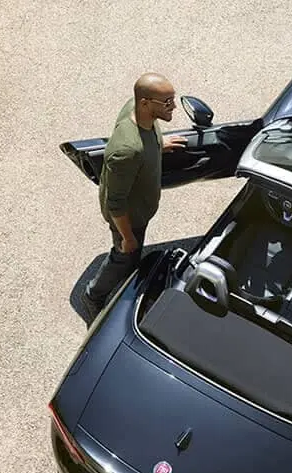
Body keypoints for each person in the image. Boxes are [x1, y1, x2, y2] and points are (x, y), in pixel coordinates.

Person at [80, 72, 187, 324]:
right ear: (145, 103)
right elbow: (115, 202)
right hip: (130, 216)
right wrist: (127, 236)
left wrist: (160, 142)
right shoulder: (127, 151)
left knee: (132, 256)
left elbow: (145, 136)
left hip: (140, 209)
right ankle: (93, 294)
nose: (173, 107)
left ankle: (130, 270)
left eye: (173, 99)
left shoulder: (139, 113)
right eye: (167, 102)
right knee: (124, 255)